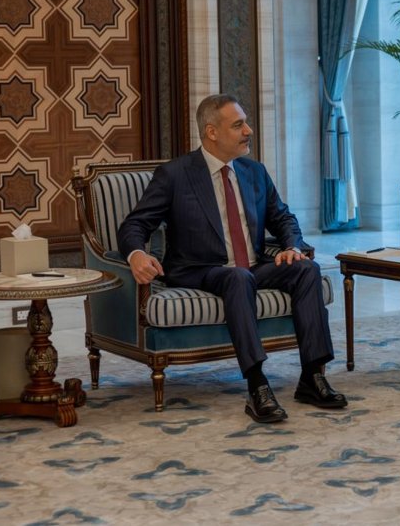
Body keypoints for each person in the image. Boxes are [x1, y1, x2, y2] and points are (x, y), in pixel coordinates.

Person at [118, 94, 346, 424]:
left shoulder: (254, 172)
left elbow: (283, 218)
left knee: (306, 269)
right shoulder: (175, 175)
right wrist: (136, 253)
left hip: (251, 267)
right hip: (198, 270)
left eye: (246, 123)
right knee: (238, 277)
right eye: (238, 125)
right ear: (212, 132)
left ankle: (312, 377)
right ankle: (258, 387)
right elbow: (135, 224)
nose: (248, 131)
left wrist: (291, 246)